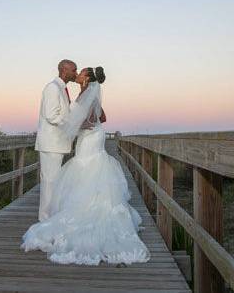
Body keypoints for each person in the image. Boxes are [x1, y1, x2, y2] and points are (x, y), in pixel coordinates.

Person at [21, 66, 151, 266]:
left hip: (89, 138)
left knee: (84, 167)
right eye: (77, 70)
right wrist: (87, 121)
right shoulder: (88, 93)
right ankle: (87, 203)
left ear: (86, 78)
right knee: (86, 170)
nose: (78, 74)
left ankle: (78, 211)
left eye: (81, 72)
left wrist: (77, 123)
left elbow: (87, 120)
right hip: (93, 137)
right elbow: (102, 118)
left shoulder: (86, 94)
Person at [34, 59, 78, 221]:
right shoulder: (52, 88)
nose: (75, 73)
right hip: (51, 143)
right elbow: (51, 115)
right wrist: (70, 124)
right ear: (63, 70)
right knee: (49, 182)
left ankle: (49, 216)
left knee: (53, 181)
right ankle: (44, 220)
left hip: (56, 143)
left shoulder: (62, 89)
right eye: (73, 70)